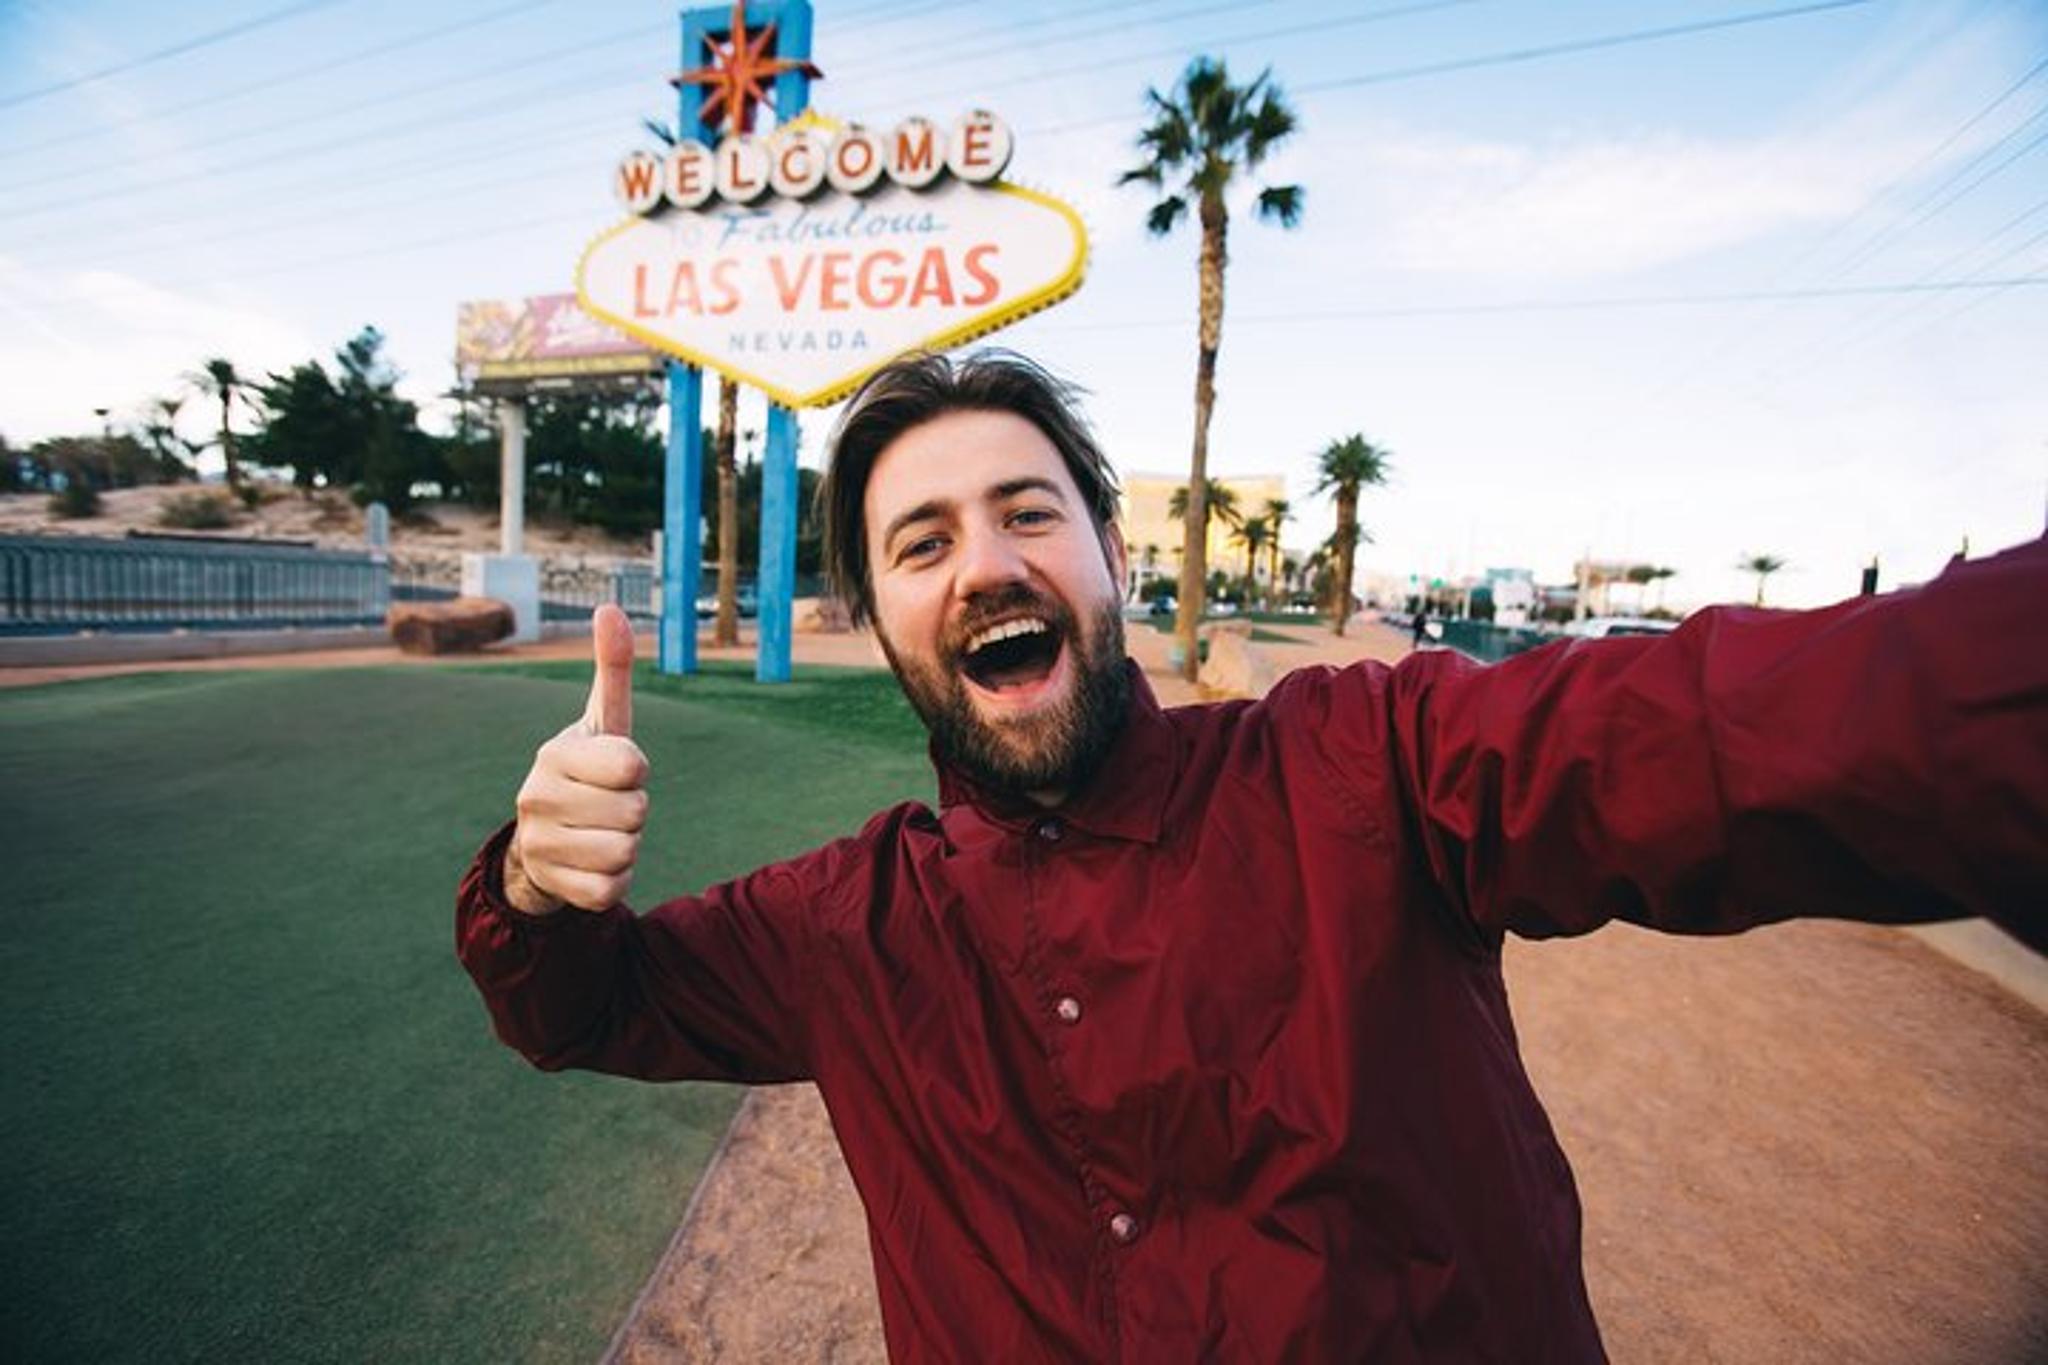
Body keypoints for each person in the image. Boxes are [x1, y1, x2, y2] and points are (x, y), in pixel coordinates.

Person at [457, 351, 2045, 1363]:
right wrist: (536, 889)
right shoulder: (843, 928)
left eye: (1028, 510)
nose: (987, 558)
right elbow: (582, 1006)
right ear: (883, 628)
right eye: (922, 541)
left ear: (1109, 561)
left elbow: (1705, 731)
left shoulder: (1361, 768)